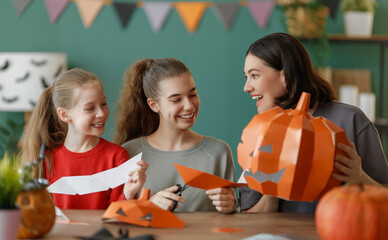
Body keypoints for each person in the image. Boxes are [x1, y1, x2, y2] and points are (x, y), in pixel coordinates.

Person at [240, 32, 388, 213]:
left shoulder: (351, 120)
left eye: (254, 75)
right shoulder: (259, 132)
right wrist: (274, 183)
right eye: (246, 76)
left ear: (284, 76)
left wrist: (359, 177)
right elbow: (247, 218)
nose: (246, 87)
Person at [113, 58, 237, 213]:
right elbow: (115, 215)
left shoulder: (219, 152)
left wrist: (232, 207)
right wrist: (148, 206)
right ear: (154, 105)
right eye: (176, 99)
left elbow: (235, 219)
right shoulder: (129, 152)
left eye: (192, 95)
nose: (189, 106)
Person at [20, 68, 148, 209]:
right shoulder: (46, 159)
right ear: (64, 115)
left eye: (103, 104)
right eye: (90, 108)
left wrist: (128, 193)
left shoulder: (117, 157)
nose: (101, 113)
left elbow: (116, 215)